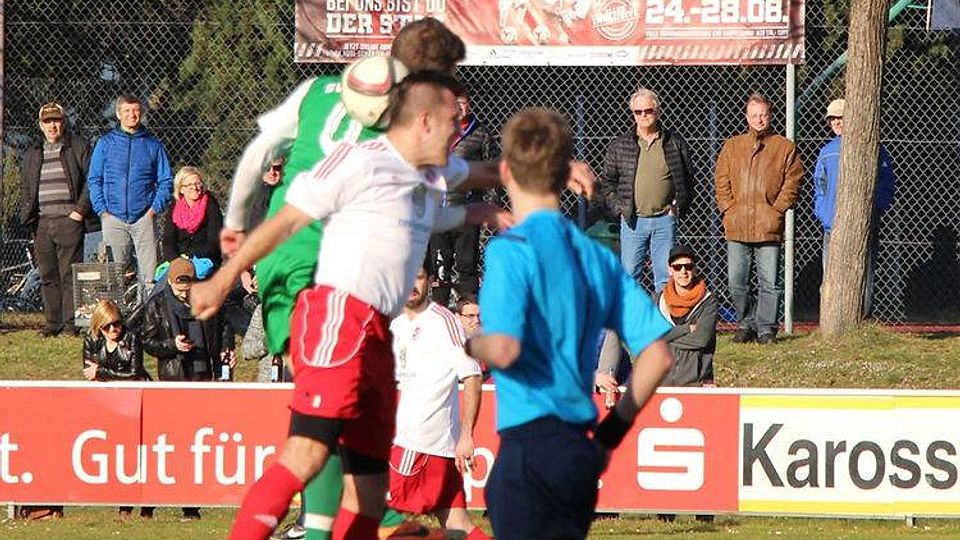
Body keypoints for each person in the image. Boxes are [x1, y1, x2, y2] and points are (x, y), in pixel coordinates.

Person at [192, 71, 509, 540]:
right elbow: (286, 221)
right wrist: (221, 279)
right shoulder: (361, 161)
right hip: (339, 317)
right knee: (306, 453)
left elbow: (482, 175)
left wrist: (532, 183)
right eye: (452, 121)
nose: (459, 130)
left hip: (377, 332)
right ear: (423, 119)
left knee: (369, 490)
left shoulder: (421, 170)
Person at [464, 108, 673, 540]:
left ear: (506, 172)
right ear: (564, 175)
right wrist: (610, 434)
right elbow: (657, 355)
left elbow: (504, 348)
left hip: (527, 445)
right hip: (578, 448)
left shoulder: (510, 250)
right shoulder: (596, 257)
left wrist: (471, 343)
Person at [387, 266, 489, 539]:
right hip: (421, 442)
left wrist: (466, 434)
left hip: (418, 443)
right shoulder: (396, 324)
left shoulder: (442, 321)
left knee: (383, 521)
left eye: (419, 276)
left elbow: (472, 374)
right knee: (459, 525)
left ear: (431, 281)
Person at [715, 93, 804, 344]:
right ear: (747, 117)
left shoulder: (784, 147)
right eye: (754, 115)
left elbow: (793, 180)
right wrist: (728, 208)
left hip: (768, 225)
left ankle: (766, 328)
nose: (759, 120)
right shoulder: (732, 146)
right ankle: (746, 323)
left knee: (770, 282)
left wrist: (778, 209)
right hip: (737, 224)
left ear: (770, 115)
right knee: (736, 281)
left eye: (763, 115)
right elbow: (721, 179)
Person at [600, 88, 693, 293]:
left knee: (665, 278)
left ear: (658, 111)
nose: (643, 115)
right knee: (629, 276)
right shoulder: (620, 145)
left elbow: (687, 179)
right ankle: (630, 315)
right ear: (633, 114)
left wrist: (677, 206)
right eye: (638, 112)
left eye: (648, 111)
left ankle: (661, 314)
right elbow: (607, 182)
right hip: (633, 221)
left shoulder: (674, 143)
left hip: (665, 219)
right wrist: (620, 208)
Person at [813, 98, 896, 318]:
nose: (836, 122)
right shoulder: (827, 152)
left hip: (864, 224)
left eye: (840, 117)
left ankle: (861, 318)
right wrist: (825, 215)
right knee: (830, 275)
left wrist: (871, 208)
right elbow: (819, 186)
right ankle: (831, 321)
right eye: (832, 119)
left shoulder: (873, 148)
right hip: (832, 226)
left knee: (864, 275)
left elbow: (887, 183)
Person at [19, 102, 94, 337]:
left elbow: (92, 181)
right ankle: (52, 324)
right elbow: (26, 187)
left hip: (69, 221)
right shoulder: (32, 153)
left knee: (69, 274)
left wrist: (79, 211)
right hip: (42, 223)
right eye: (48, 121)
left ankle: (70, 325)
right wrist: (30, 216)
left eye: (57, 120)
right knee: (48, 275)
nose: (53, 126)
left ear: (64, 123)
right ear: (41, 125)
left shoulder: (78, 147)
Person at [87, 94, 173, 291]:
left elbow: (166, 180)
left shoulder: (153, 145)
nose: (132, 115)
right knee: (112, 278)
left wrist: (153, 209)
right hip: (113, 218)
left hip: (144, 218)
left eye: (136, 110)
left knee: (149, 278)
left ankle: (148, 310)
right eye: (127, 111)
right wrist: (102, 210)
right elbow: (94, 179)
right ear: (118, 114)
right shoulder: (105, 143)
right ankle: (114, 311)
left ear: (141, 113)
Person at [81, 299, 153, 519]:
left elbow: (134, 373)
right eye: (107, 326)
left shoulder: (131, 338)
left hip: (136, 400)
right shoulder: (91, 341)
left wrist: (102, 372)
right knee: (119, 455)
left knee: (140, 453)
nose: (114, 329)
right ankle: (124, 504)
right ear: (98, 327)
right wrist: (102, 375)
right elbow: (88, 373)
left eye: (117, 324)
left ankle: (147, 506)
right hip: (110, 403)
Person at [427, 90, 496, 307]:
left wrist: (489, 206)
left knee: (467, 265)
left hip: (466, 211)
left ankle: (469, 313)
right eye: (455, 103)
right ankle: (439, 311)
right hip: (438, 210)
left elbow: (492, 172)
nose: (459, 107)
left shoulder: (481, 134)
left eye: (463, 103)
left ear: (470, 105)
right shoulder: (435, 131)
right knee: (440, 267)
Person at [143, 258, 235, 385]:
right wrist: (173, 345)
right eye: (179, 290)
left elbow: (224, 326)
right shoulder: (156, 305)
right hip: (174, 375)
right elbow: (147, 342)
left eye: (188, 290)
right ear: (169, 282)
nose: (184, 295)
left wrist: (226, 348)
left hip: (204, 370)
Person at [653, 245, 716, 387]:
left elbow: (701, 339)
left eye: (688, 266)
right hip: (659, 381)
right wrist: (686, 329)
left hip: (696, 382)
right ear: (670, 270)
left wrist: (664, 338)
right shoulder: (657, 300)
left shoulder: (708, 301)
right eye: (677, 267)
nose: (683, 271)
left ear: (695, 269)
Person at [161, 166, 224, 268]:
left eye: (198, 183)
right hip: (180, 259)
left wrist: (193, 258)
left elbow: (214, 240)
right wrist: (176, 260)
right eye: (189, 185)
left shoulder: (210, 204)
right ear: (181, 189)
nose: (194, 187)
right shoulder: (174, 207)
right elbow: (168, 241)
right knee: (165, 276)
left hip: (205, 259)